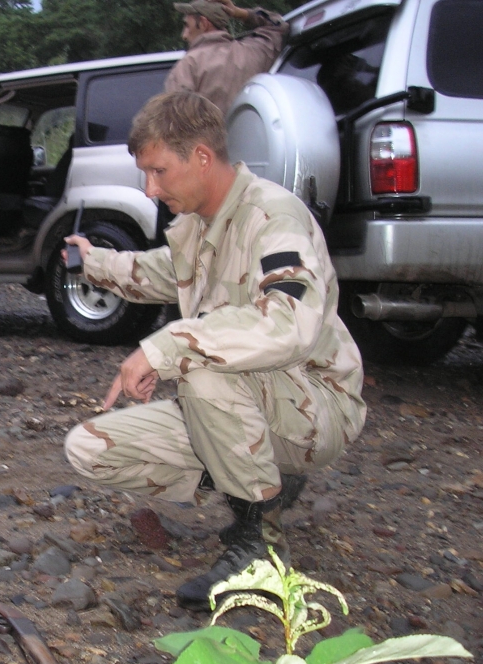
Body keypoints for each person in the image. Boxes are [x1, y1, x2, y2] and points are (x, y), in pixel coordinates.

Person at [62, 92, 366, 611]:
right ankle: (264, 483)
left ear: (202, 156)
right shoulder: (201, 225)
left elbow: (287, 323)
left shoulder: (274, 216)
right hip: (251, 406)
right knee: (90, 449)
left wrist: (165, 346)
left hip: (317, 404)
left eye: (158, 171)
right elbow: (162, 272)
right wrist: (95, 264)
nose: (150, 189)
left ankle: (260, 553)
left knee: (201, 365)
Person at [164, 0, 289, 115]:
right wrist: (241, 13)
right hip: (254, 138)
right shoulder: (252, 52)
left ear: (203, 23)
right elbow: (279, 26)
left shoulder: (188, 65)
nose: (184, 36)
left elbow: (175, 122)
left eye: (187, 26)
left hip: (208, 139)